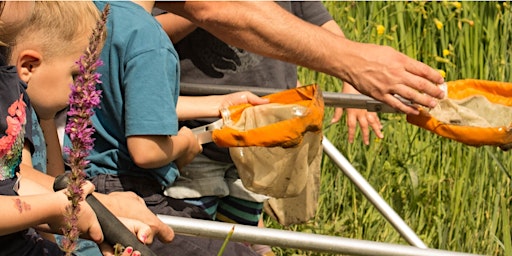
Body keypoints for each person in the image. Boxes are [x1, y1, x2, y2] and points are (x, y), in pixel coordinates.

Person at [153, 3, 383, 255]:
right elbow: (150, 30)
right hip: (200, 137)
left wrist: (351, 79)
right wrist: (205, 11)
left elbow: (324, 26)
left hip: (264, 138)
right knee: (194, 236)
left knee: (242, 229)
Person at [48, 1, 264, 255]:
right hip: (128, 191)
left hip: (78, 179)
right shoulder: (148, 38)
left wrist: (219, 104)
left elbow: (136, 104)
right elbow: (147, 151)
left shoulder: (87, 15)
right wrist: (185, 142)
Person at [0, 2, 159, 256]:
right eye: (76, 75)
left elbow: (11, 183)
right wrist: (56, 208)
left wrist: (101, 222)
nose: (81, 91)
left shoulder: (11, 88)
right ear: (28, 65)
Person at [155, 1, 446, 116]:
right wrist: (356, 63)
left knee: (248, 226)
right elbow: (214, 8)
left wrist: (354, 78)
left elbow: (324, 27)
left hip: (271, 120)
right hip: (201, 124)